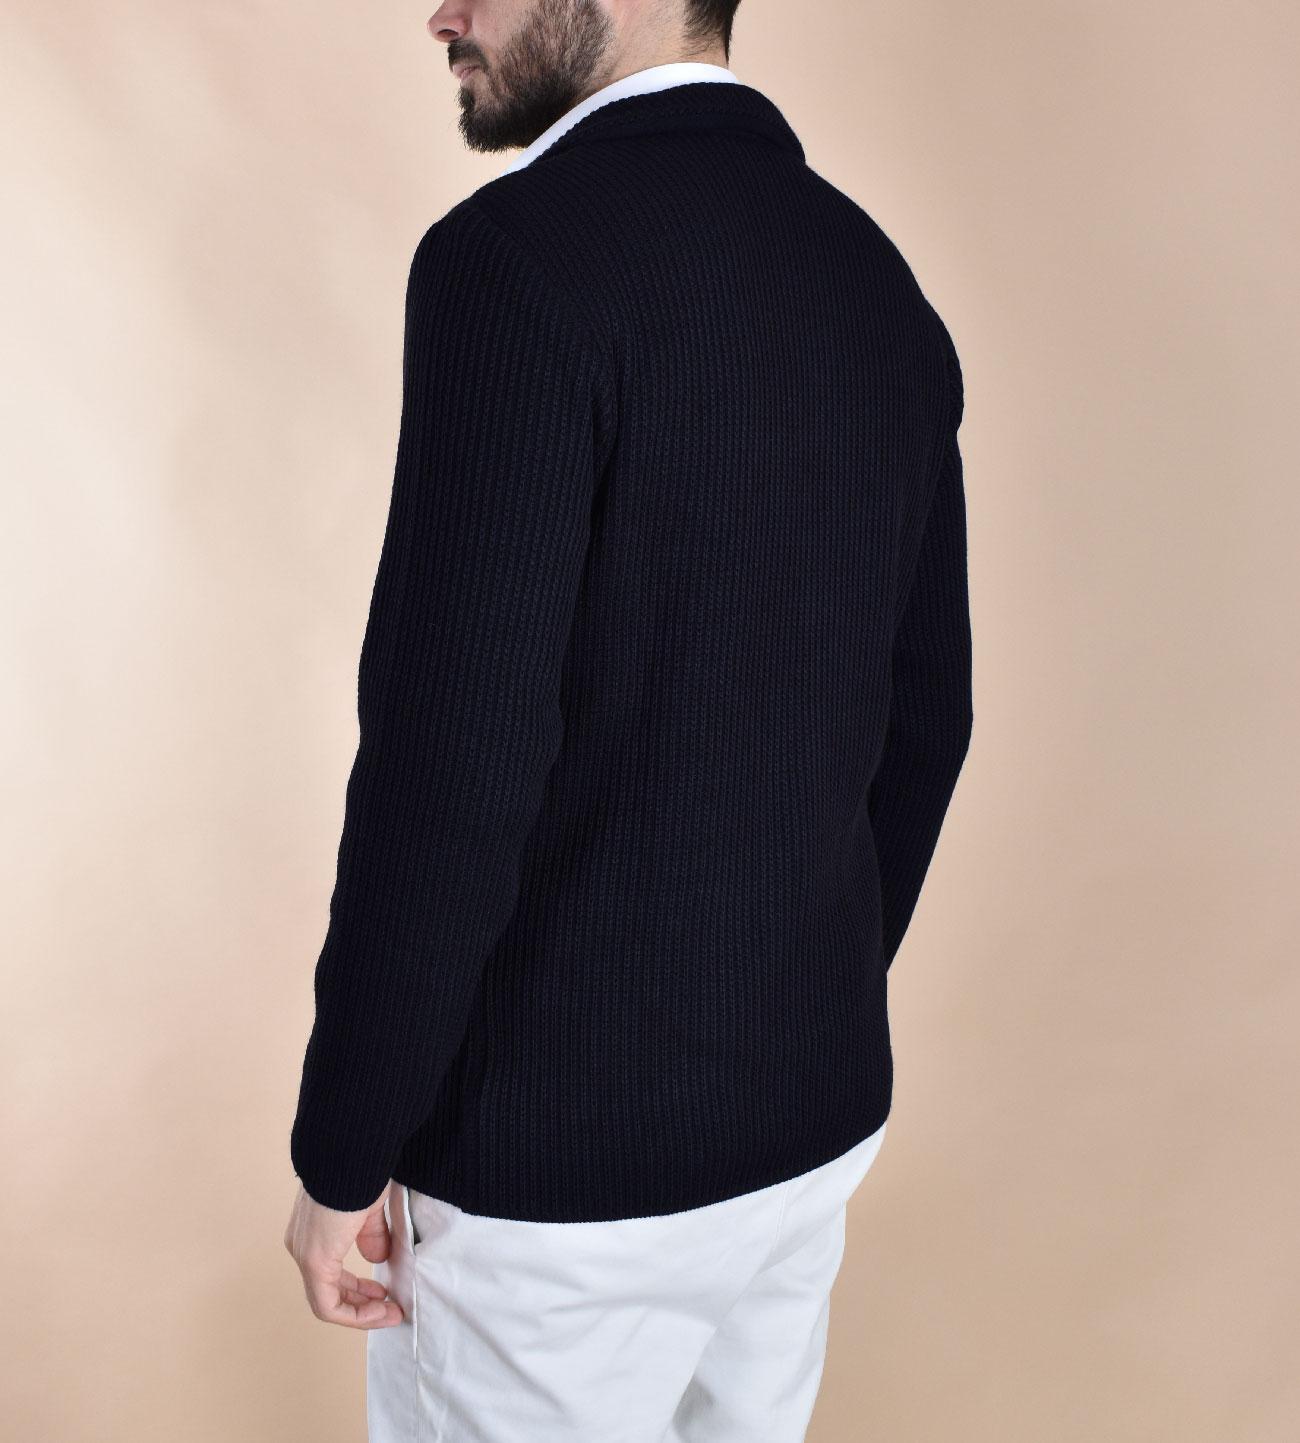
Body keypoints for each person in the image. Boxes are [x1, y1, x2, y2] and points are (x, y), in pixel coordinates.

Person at [283, 1, 973, 1437]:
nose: (441, 12)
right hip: (806, 1130)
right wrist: (792, 997)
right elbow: (926, 721)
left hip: (556, 1191)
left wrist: (343, 1149)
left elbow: (451, 768)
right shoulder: (873, 278)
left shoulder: (512, 263)